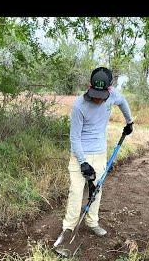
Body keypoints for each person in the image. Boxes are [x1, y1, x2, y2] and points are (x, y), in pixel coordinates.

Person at [54, 67, 133, 247]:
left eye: (101, 95)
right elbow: (75, 137)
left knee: (96, 190)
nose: (98, 99)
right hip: (79, 154)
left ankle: (92, 222)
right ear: (89, 87)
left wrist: (129, 122)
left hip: (100, 153)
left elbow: (123, 102)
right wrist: (82, 163)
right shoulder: (79, 105)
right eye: (95, 94)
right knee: (76, 191)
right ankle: (68, 227)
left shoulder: (113, 95)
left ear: (109, 89)